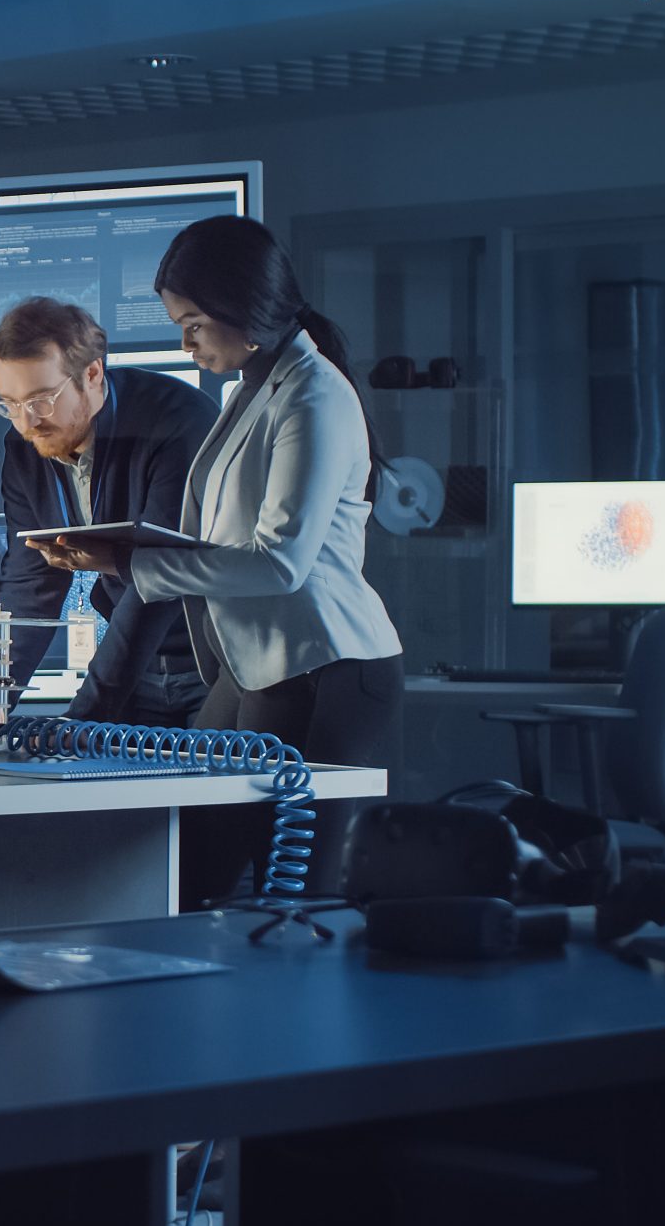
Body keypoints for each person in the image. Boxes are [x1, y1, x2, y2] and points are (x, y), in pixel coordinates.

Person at [29, 216, 403, 908]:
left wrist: (138, 567)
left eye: (195, 324)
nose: (185, 342)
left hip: (327, 667)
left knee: (294, 898)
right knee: (187, 872)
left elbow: (281, 564)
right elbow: (226, 541)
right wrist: (118, 555)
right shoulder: (255, 388)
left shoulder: (313, 395)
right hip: (256, 662)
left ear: (244, 309)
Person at [0, 297, 217, 726]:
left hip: (211, 664)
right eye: (9, 403)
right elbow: (29, 581)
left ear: (92, 374)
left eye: (41, 400)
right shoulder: (24, 444)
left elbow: (157, 585)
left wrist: (81, 720)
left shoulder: (178, 422)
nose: (25, 423)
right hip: (134, 668)